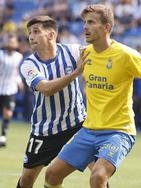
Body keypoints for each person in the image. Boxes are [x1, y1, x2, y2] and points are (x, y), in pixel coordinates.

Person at [44, 4, 141, 188]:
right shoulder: (86, 53)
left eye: (91, 22)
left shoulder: (126, 55)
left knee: (97, 176)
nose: (85, 27)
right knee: (52, 175)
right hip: (88, 130)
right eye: (84, 22)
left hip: (118, 132)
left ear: (106, 27)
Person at [17, 15, 87, 188]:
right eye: (29, 33)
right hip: (45, 129)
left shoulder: (73, 51)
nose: (31, 36)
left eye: (36, 31)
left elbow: (99, 54)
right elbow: (46, 89)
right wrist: (76, 74)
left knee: (99, 170)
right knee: (27, 179)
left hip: (78, 122)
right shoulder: (28, 64)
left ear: (51, 35)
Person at [0, 33, 23, 147]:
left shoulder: (19, 57)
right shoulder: (0, 55)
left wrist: (19, 82)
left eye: (13, 42)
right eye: (9, 42)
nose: (11, 44)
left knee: (8, 113)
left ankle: (3, 136)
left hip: (10, 89)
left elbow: (16, 72)